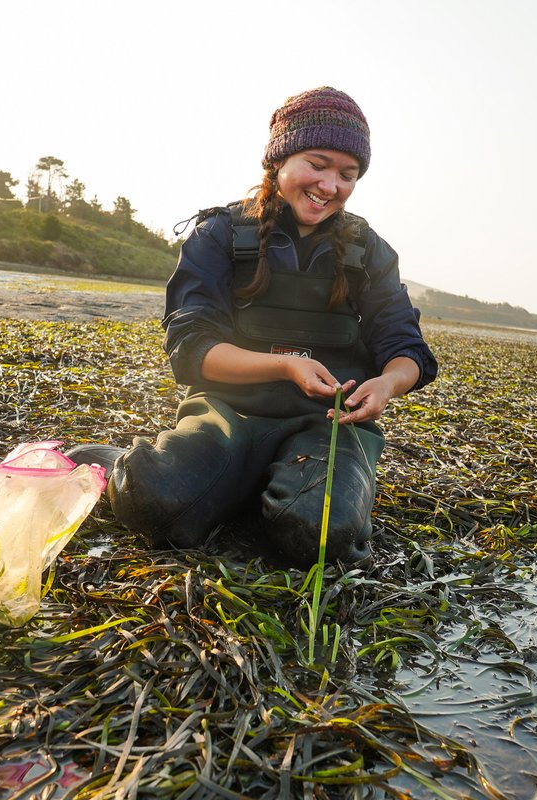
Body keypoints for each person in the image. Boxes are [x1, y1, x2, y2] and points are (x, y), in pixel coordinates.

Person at [72, 87, 437, 567]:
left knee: (323, 535)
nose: (330, 185)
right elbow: (191, 347)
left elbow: (406, 345)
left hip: (327, 425)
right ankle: (138, 463)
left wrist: (389, 382)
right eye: (317, 164)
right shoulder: (220, 234)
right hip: (230, 413)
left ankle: (252, 487)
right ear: (279, 160)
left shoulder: (371, 253)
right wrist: (286, 365)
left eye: (347, 175)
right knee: (156, 504)